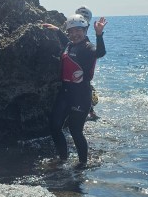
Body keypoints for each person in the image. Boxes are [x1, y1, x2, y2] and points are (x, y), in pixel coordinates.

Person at [43, 12, 107, 167]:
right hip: (65, 93)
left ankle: (82, 163)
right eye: (71, 31)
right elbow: (67, 42)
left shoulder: (88, 47)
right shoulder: (70, 44)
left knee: (75, 130)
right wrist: (58, 30)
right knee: (54, 126)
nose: (75, 34)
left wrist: (99, 35)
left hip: (81, 95)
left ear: (85, 31)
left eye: (79, 30)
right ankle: (63, 158)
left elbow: (100, 53)